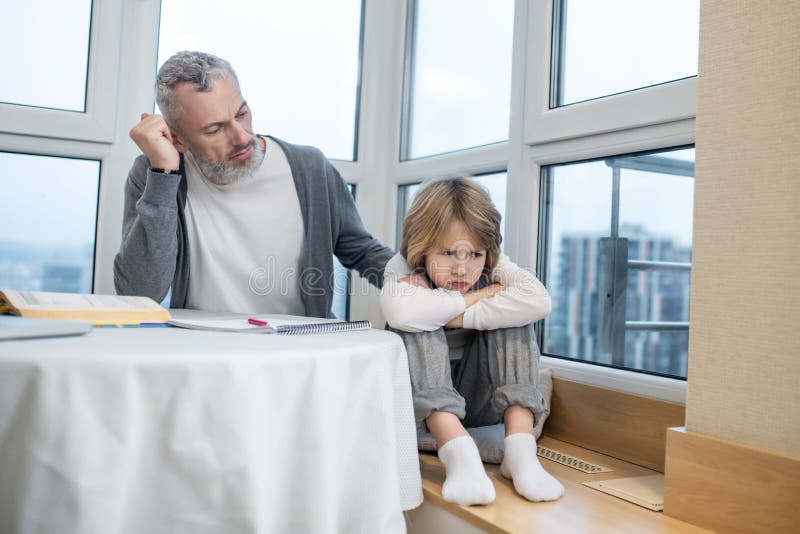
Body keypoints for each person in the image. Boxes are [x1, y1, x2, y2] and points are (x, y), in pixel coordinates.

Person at [114, 51, 392, 316]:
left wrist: (427, 283)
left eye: (241, 114)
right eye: (215, 129)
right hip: (204, 353)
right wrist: (163, 175)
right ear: (178, 140)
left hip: (300, 349)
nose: (241, 136)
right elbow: (139, 293)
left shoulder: (310, 168)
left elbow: (364, 253)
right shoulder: (155, 174)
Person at [380, 177, 564, 506]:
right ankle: (458, 453)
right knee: (416, 318)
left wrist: (456, 311)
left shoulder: (494, 264)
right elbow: (399, 313)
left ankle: (520, 450)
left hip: (482, 406)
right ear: (422, 248)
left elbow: (539, 302)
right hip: (424, 415)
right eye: (448, 253)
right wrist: (472, 300)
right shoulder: (403, 266)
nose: (463, 268)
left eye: (475, 254)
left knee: (513, 314)